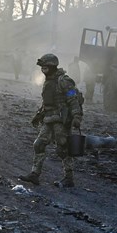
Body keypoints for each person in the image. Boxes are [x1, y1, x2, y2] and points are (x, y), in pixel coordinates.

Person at [19, 53, 83, 188]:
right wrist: (39, 114)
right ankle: (35, 175)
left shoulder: (64, 81)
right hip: (48, 119)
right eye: (42, 67)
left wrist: (77, 116)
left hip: (61, 120)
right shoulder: (48, 81)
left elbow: (73, 100)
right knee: (39, 145)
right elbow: (48, 102)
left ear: (52, 66)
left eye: (46, 66)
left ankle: (69, 178)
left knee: (63, 149)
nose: (43, 69)